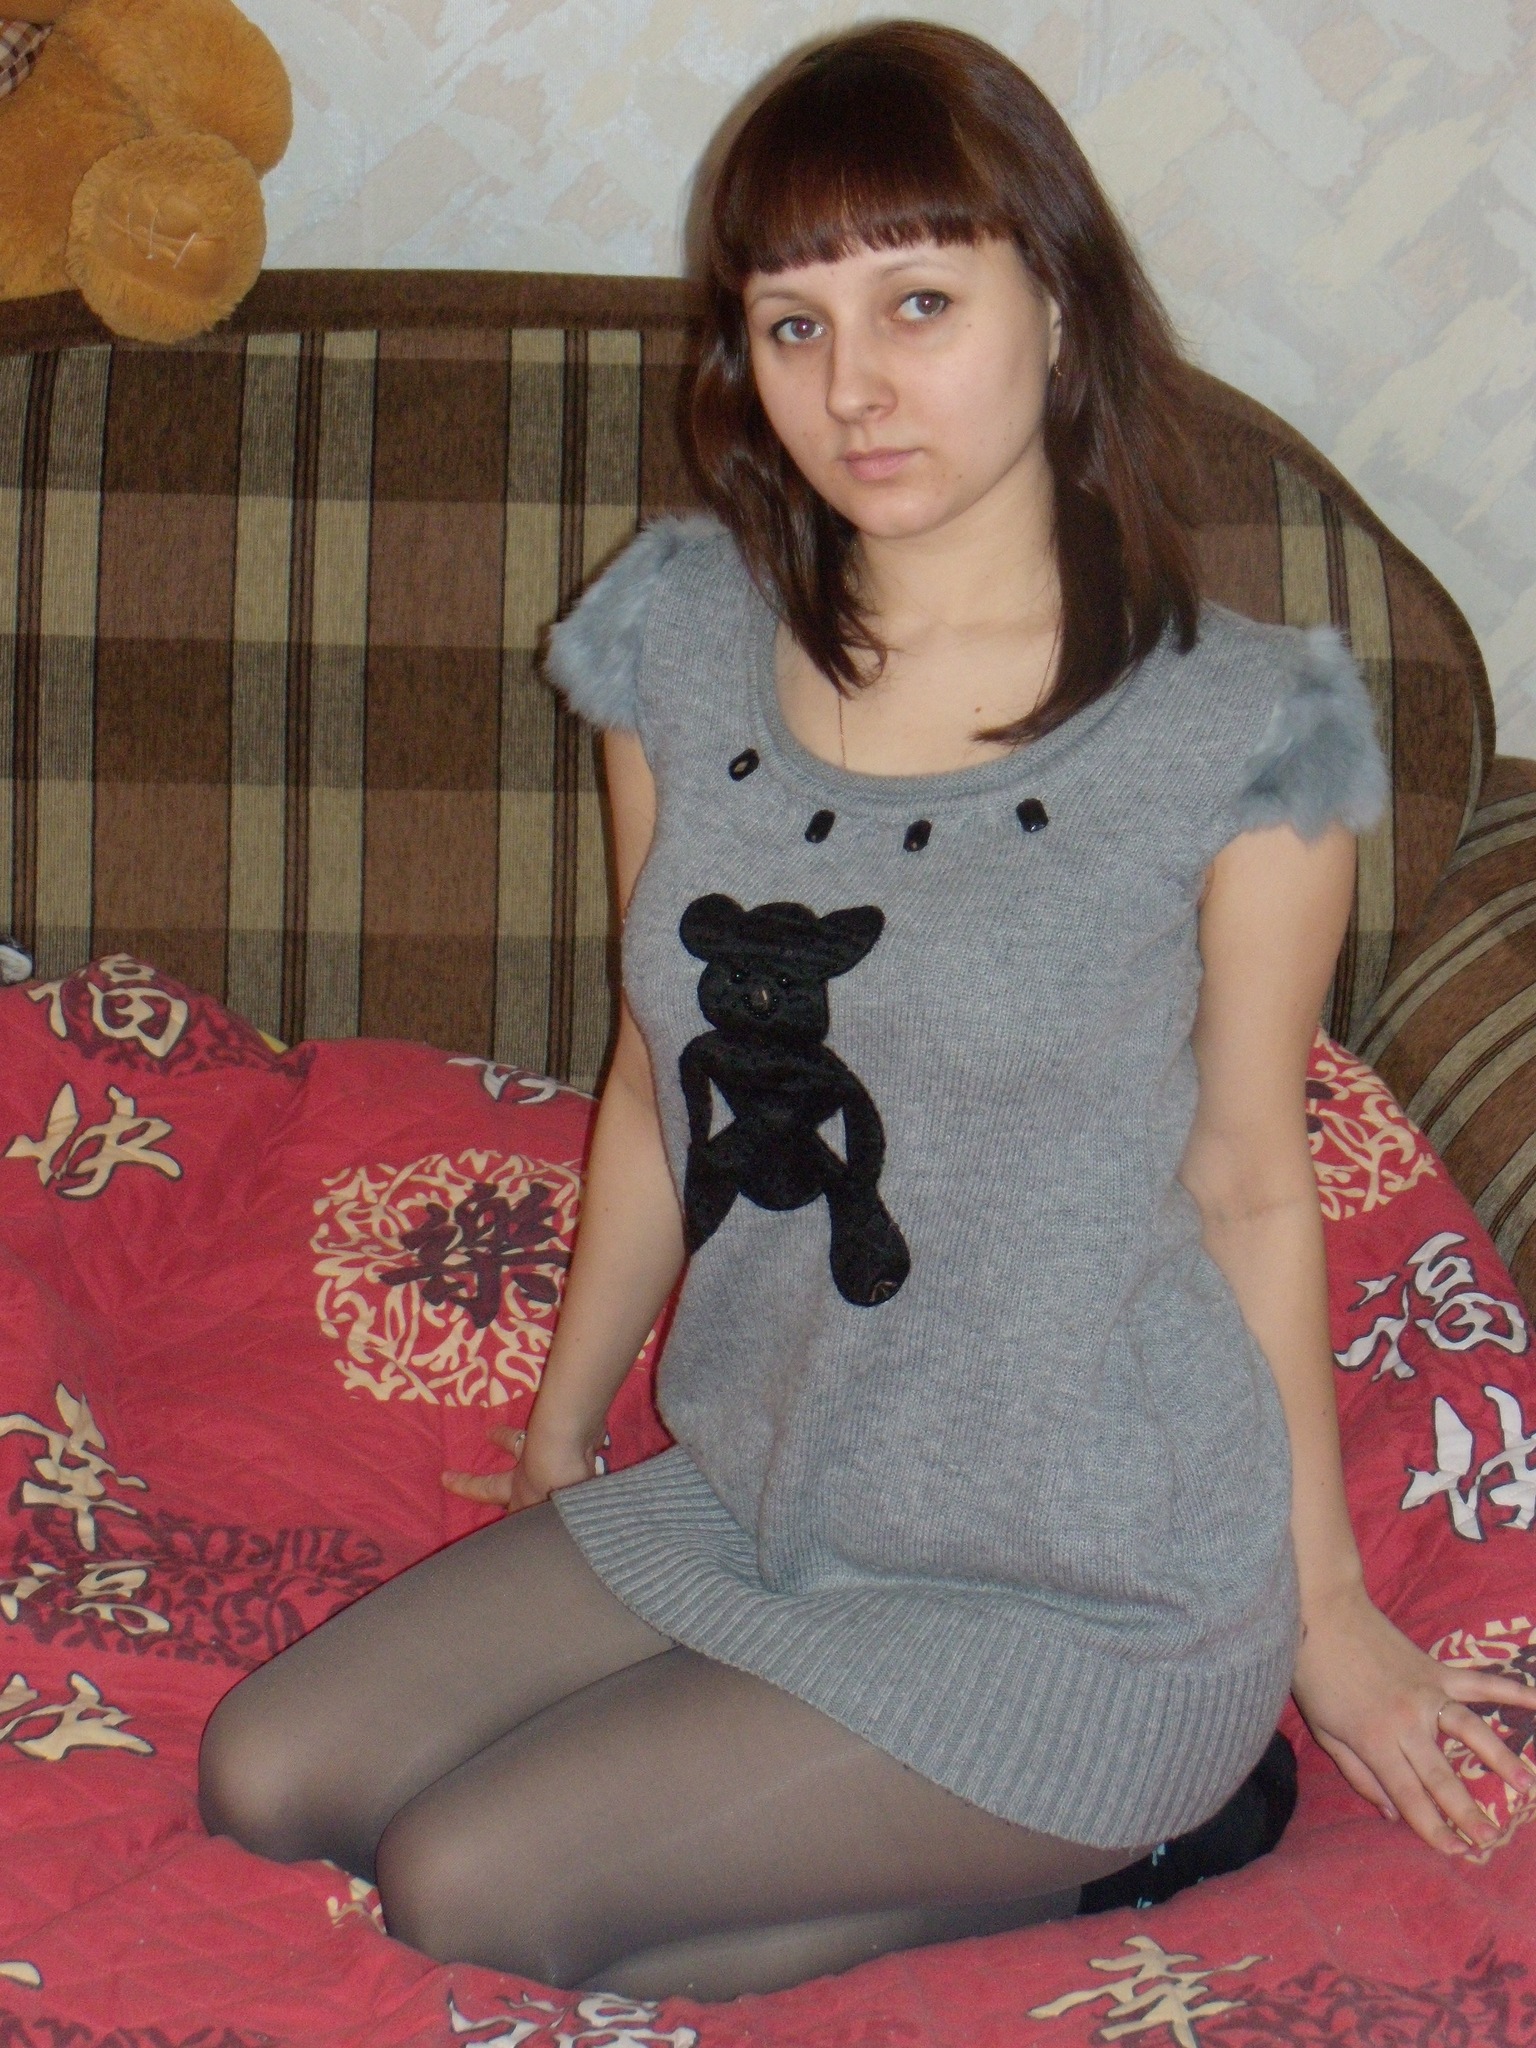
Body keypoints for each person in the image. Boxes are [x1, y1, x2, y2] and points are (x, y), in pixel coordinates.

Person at [197, 21, 1536, 2003]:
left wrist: (1327, 1619)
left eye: (920, 303)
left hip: (1090, 1578)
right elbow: (661, 1070)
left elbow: (1254, 1179)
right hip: (769, 1487)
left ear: (1058, 311)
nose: (855, 387)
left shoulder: (1246, 727)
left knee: (466, 1883)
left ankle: (1163, 1823)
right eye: (794, 324)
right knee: (265, 1774)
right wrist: (565, 1426)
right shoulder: (681, 638)